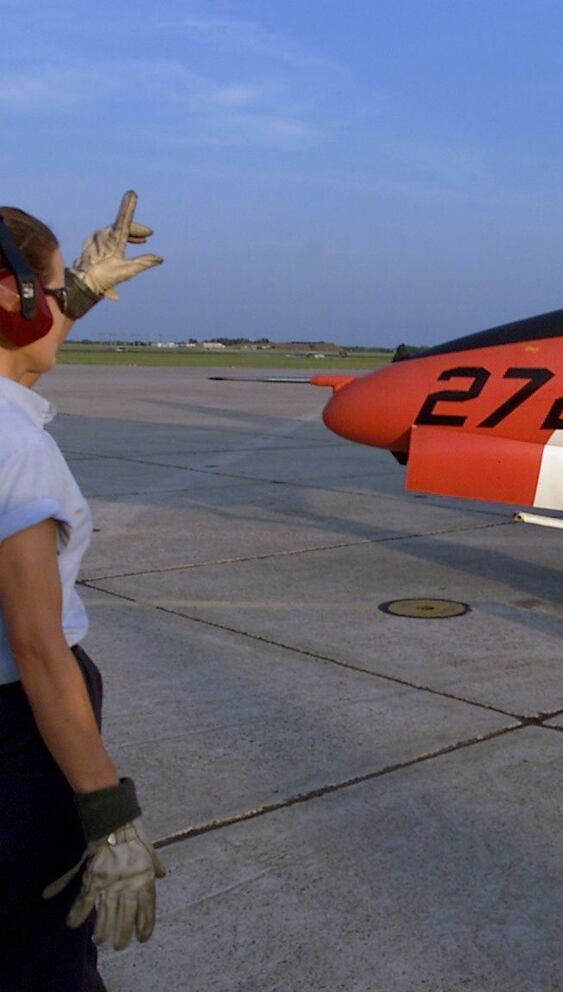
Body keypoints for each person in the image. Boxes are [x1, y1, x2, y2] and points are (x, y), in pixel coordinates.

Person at [0, 193, 164, 991]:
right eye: (53, 288)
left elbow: (24, 345)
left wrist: (80, 295)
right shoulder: (15, 448)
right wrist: (108, 813)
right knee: (44, 955)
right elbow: (35, 646)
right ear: (14, 299)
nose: (61, 305)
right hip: (19, 743)